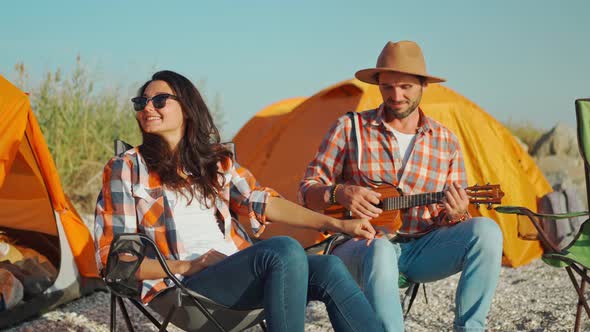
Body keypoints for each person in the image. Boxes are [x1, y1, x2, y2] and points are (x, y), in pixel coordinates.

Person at [94, 70, 385, 332]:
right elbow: (116, 263)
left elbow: (261, 201)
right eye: (140, 102)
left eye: (159, 101)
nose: (147, 108)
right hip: (185, 292)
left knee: (329, 269)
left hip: (236, 273)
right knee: (282, 249)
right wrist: (187, 266)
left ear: (187, 107)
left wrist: (337, 224)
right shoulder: (127, 167)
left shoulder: (216, 162)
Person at [299, 41, 503, 332]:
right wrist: (340, 192)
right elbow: (306, 190)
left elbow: (453, 220)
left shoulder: (445, 141)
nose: (396, 96)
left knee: (487, 232)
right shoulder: (349, 127)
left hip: (421, 250)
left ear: (423, 86)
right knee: (380, 249)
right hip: (359, 247)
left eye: (406, 87)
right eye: (387, 87)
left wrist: (457, 213)